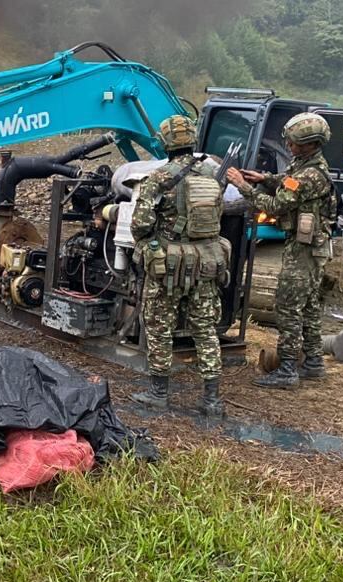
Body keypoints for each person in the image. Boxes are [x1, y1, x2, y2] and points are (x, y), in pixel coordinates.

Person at [115, 115, 228, 419]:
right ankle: (212, 399)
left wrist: (152, 242)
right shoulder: (212, 174)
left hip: (169, 266)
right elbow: (218, 215)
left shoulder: (160, 177)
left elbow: (140, 225)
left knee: (159, 327)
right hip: (205, 264)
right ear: (193, 141)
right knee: (205, 329)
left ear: (165, 143)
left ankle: (158, 394)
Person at [226, 113, 337, 389]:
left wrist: (243, 187)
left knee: (288, 307)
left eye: (293, 143)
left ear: (310, 144)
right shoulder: (305, 164)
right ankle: (313, 362)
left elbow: (277, 206)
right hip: (309, 247)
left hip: (304, 250)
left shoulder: (311, 174)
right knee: (309, 307)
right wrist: (264, 178)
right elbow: (287, 181)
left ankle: (287, 369)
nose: (288, 146)